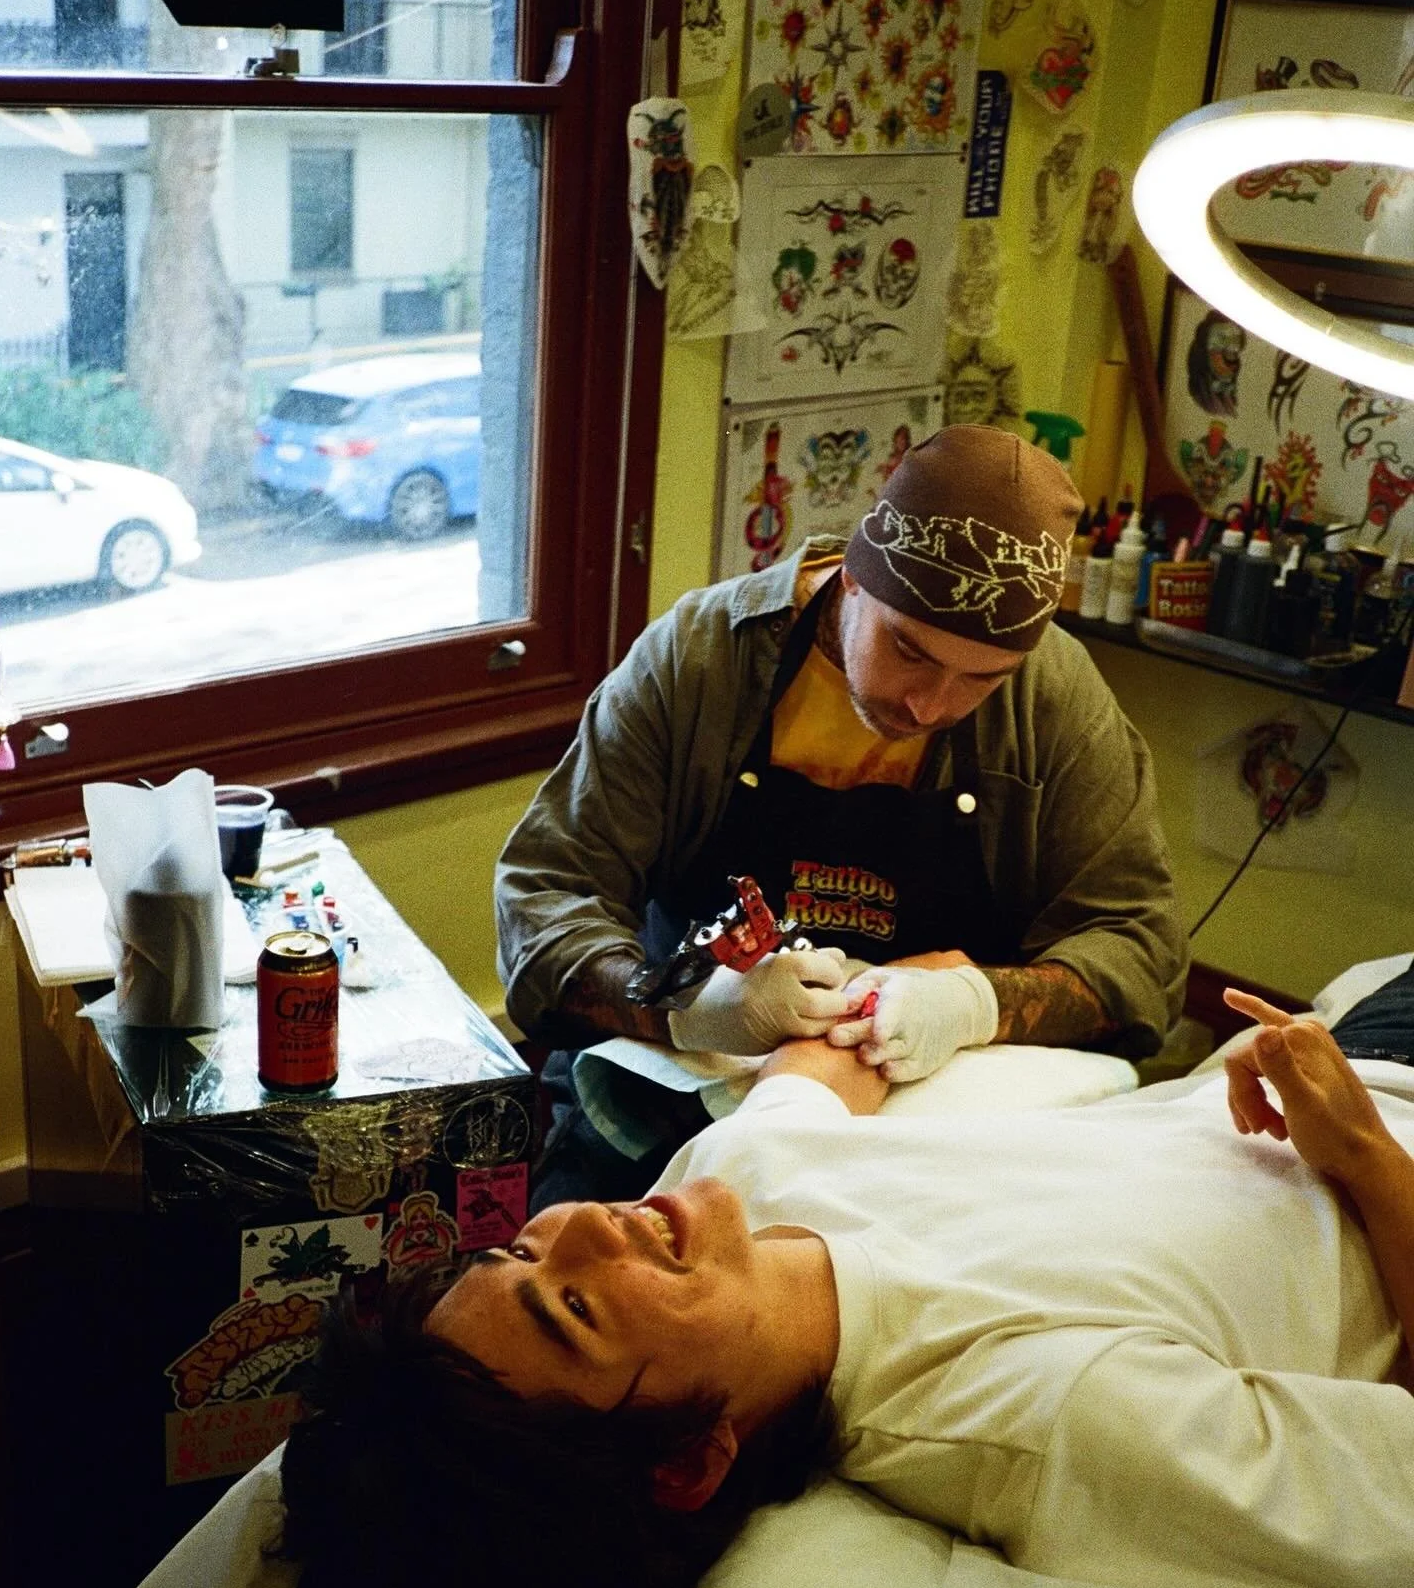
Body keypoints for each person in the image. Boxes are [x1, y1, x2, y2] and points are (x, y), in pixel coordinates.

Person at [278, 988, 1414, 1588]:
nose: (584, 1222)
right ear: (689, 1462)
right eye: (576, 1307)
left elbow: (812, 1076)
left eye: (521, 1250)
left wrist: (919, 996)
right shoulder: (1038, 1415)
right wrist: (1366, 1157)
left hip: (1348, 1038)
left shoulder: (726, 1197)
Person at [495, 426, 1188, 1203]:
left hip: (930, 1130)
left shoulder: (1055, 701)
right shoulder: (700, 663)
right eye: (909, 651)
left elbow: (1141, 949)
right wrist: (688, 1005)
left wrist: (974, 1005)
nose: (930, 704)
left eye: (980, 680)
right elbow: (542, 899)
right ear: (852, 578)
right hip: (674, 1107)